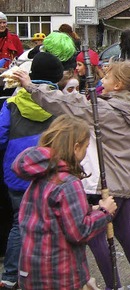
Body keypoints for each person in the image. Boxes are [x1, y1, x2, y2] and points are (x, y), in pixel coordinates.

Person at [13, 61, 130, 290]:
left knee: (97, 238)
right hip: (126, 183)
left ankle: (114, 285)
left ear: (118, 85)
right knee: (125, 233)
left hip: (105, 185)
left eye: (107, 77)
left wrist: (31, 87)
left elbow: (68, 106)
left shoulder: (107, 111)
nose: (102, 80)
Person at [13, 115, 117, 289]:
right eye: (85, 147)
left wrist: (91, 208)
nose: (85, 153)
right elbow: (79, 232)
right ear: (76, 147)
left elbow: (52, 214)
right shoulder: (68, 183)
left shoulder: (41, 174)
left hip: (32, 270)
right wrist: (105, 212)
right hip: (58, 275)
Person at [0, 52, 64, 290]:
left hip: (16, 171)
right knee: (53, 220)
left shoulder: (12, 102)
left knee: (19, 223)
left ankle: (9, 276)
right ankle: (48, 272)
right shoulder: (61, 101)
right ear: (58, 77)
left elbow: (0, 135)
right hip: (50, 170)